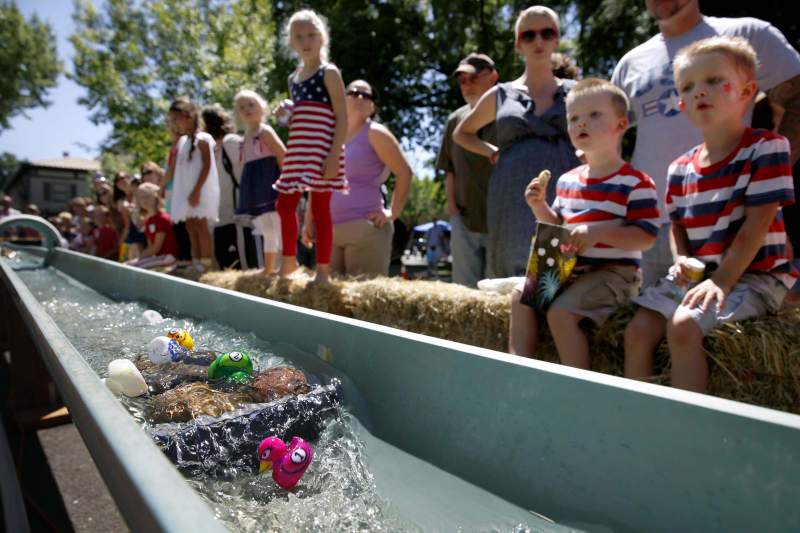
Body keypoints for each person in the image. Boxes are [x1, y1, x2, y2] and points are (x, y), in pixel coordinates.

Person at [624, 37, 795, 392]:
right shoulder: (678, 168)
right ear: (682, 105)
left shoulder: (766, 148)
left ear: (747, 91)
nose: (700, 91)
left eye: (714, 80)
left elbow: (757, 223)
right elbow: (678, 227)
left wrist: (722, 281)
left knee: (684, 325)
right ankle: (637, 417)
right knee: (637, 332)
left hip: (754, 276)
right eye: (689, 86)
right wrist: (683, 258)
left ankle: (689, 426)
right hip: (701, 275)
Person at [612, 0, 800, 287]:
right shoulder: (629, 63)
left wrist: (768, 187)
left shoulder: (747, 32)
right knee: (650, 325)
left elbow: (797, 96)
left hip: (733, 220)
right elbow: (610, 136)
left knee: (714, 324)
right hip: (651, 225)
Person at [513, 78, 660, 364]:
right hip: (568, 268)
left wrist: (598, 233)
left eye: (594, 115)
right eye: (574, 118)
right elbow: (558, 226)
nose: (582, 123)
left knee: (561, 314)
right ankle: (518, 365)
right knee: (521, 298)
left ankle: (578, 386)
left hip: (614, 275)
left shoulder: (636, 182)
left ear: (620, 125)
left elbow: (646, 237)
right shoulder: (568, 180)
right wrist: (538, 205)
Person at [454, 6, 581, 277]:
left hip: (564, 195)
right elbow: (462, 133)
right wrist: (490, 151)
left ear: (557, 39)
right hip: (511, 197)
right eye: (529, 34)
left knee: (555, 282)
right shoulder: (500, 95)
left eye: (547, 33)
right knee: (512, 285)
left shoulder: (576, 93)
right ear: (518, 44)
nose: (538, 41)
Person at [273, 9, 348, 285]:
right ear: (291, 42)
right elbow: (300, 118)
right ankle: (289, 262)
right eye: (299, 36)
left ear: (322, 37)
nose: (306, 41)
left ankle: (323, 272)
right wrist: (286, 113)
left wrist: (333, 155)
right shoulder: (293, 79)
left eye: (311, 35)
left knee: (320, 208)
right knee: (285, 203)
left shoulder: (329, 73)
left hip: (323, 149)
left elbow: (342, 116)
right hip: (298, 149)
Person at [323, 79, 412, 277]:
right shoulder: (331, 136)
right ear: (343, 99)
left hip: (366, 231)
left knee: (361, 302)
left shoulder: (376, 133)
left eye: (367, 95)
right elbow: (321, 183)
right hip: (330, 231)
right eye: (354, 92)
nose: (361, 98)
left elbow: (405, 172)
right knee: (327, 303)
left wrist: (392, 213)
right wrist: (312, 221)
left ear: (372, 106)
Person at [436, 53, 499, 286]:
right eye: (462, 80)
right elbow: (448, 169)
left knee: (498, 292)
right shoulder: (455, 120)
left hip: (500, 221)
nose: (467, 85)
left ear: (493, 77)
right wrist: (452, 210)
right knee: (465, 291)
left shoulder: (510, 115)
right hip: (464, 220)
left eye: (473, 78)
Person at [163, 97, 220, 273]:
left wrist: (196, 190)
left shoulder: (203, 138)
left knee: (201, 224)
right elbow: (173, 169)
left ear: (188, 116)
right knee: (190, 225)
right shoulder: (181, 142)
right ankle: (196, 261)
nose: (173, 124)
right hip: (185, 191)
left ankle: (206, 263)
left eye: (175, 119)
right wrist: (161, 186)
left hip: (200, 190)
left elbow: (207, 166)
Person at [233, 90, 287, 276]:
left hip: (270, 184)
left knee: (278, 224)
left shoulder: (265, 132)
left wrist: (286, 182)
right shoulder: (244, 137)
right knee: (267, 228)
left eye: (251, 104)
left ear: (262, 107)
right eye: (242, 107)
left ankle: (285, 265)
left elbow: (282, 155)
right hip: (255, 188)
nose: (247, 109)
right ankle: (269, 267)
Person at [127, 182, 179, 268]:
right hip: (159, 257)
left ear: (155, 196)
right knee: (128, 265)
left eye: (147, 196)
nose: (144, 200)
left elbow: (156, 247)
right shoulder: (148, 221)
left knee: (136, 267)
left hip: (169, 257)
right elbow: (150, 247)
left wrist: (139, 258)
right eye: (141, 197)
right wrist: (138, 259)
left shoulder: (163, 218)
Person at [113, 171, 146, 260]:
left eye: (124, 177)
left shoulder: (141, 192)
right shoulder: (120, 202)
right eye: (118, 180)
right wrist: (120, 242)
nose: (121, 181)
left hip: (146, 231)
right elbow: (126, 225)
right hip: (133, 235)